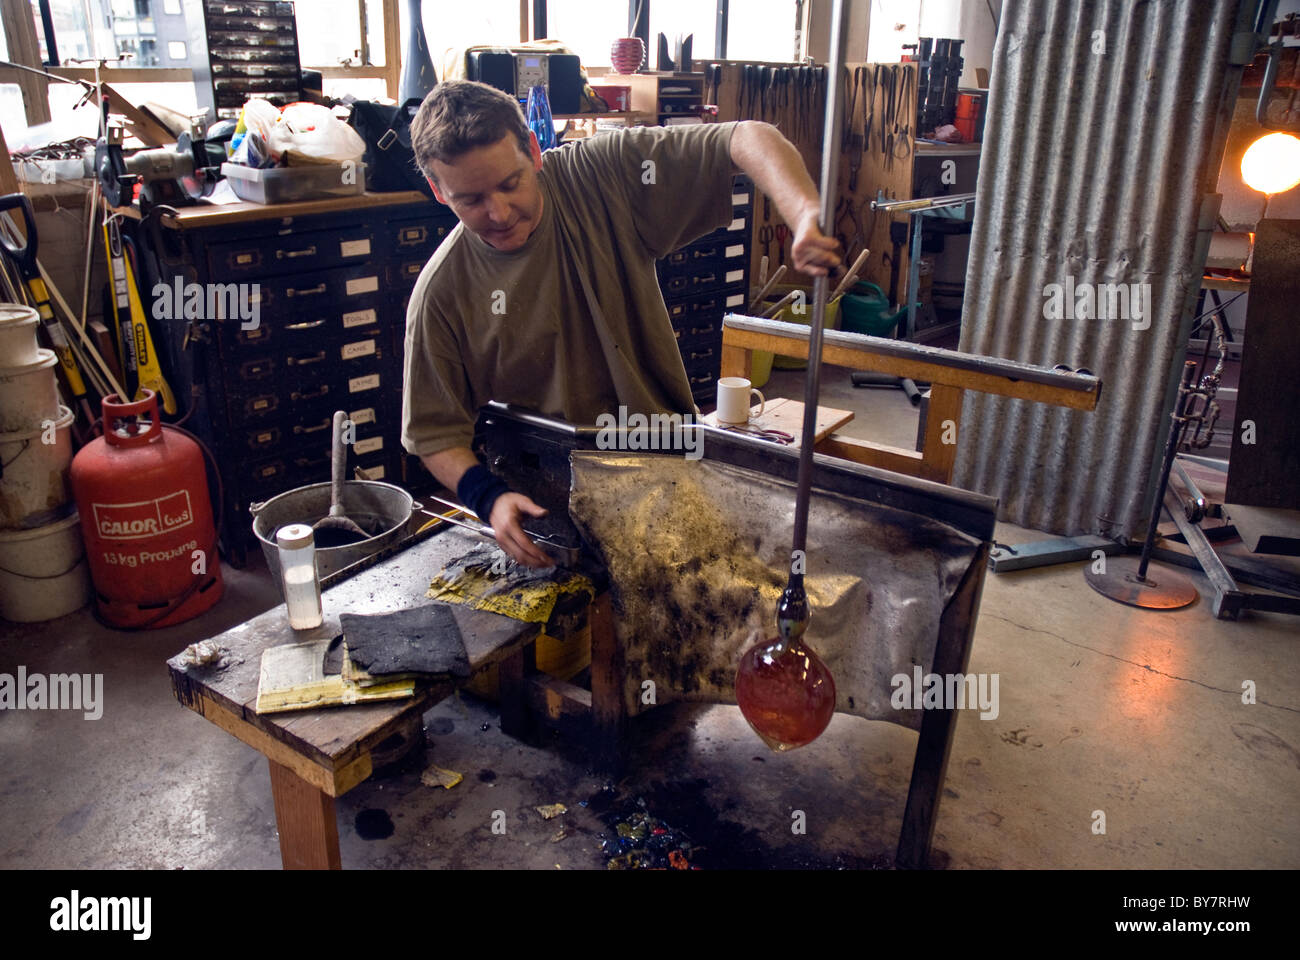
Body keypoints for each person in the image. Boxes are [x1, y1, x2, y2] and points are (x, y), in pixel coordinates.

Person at [402, 80, 839, 566]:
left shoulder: (599, 178)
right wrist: (487, 497)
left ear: (533, 150)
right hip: (547, 507)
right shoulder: (442, 295)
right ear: (439, 192)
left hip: (663, 462)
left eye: (510, 184)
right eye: (472, 200)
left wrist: (802, 213)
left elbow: (745, 138)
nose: (499, 213)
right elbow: (435, 433)